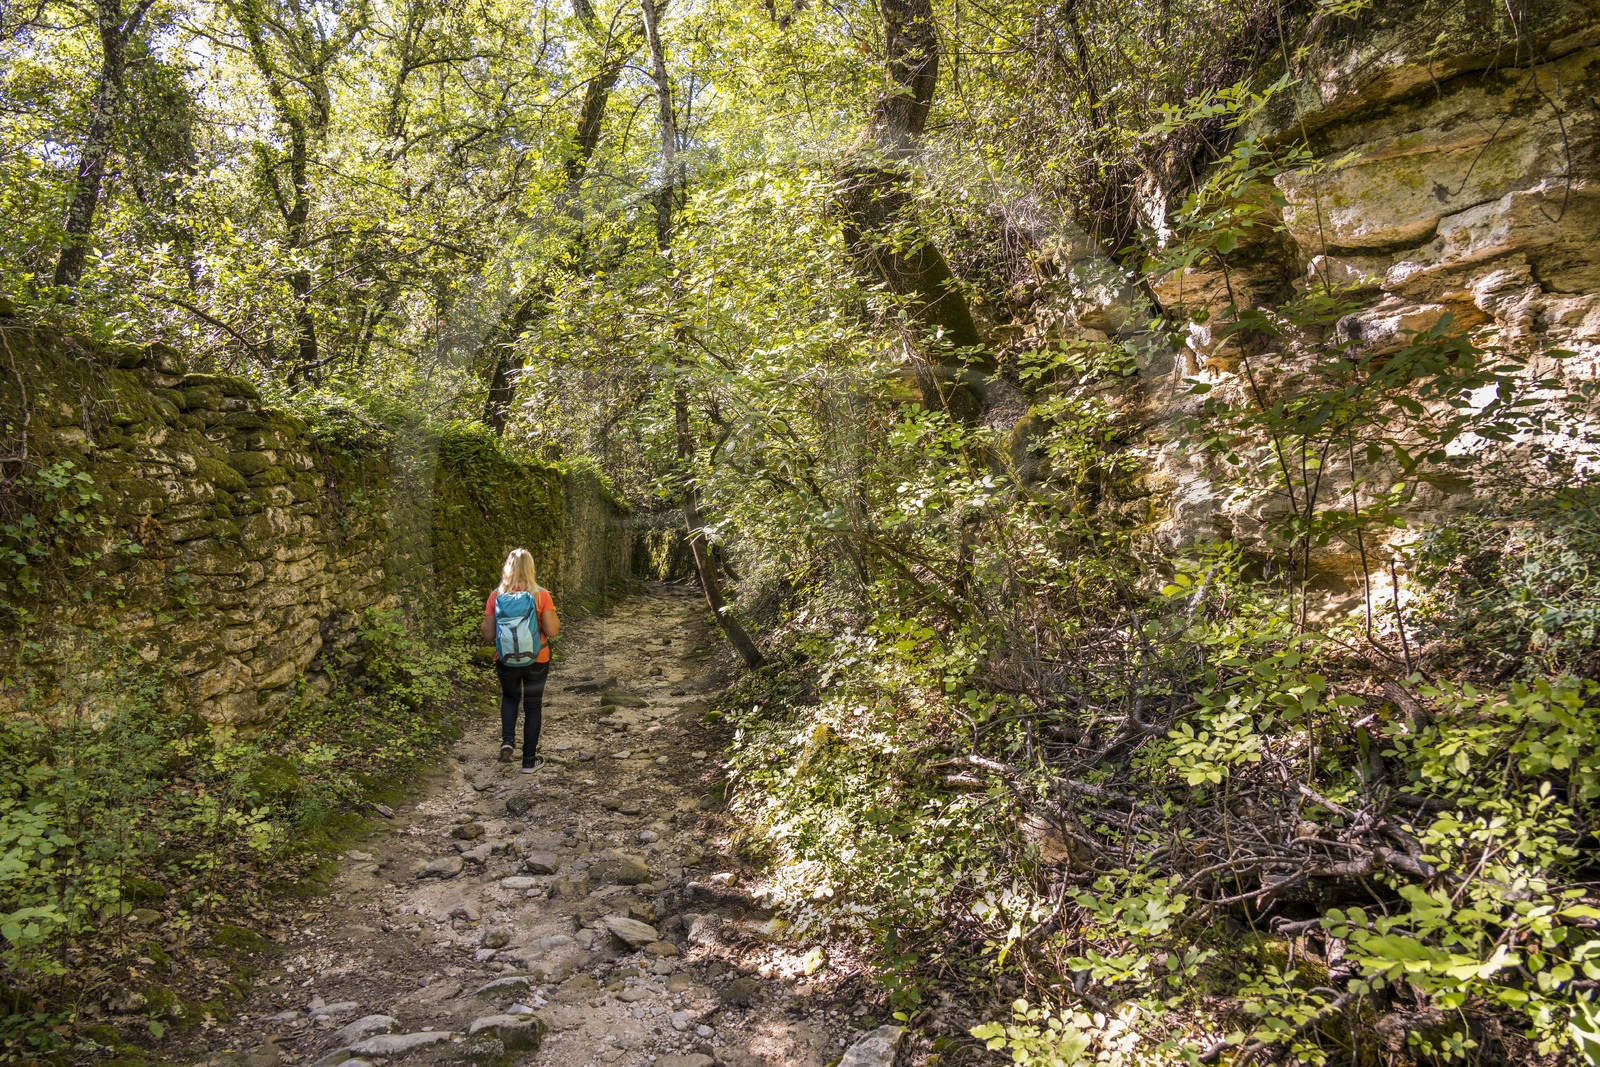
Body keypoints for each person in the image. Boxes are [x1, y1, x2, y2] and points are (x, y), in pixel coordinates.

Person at [481, 548, 560, 772]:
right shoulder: (540, 595)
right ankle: (528, 761)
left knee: (509, 697)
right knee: (533, 706)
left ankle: (507, 741)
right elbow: (552, 631)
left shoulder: (496, 596)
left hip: (506, 660)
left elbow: (487, 635)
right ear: (531, 568)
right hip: (537, 659)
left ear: (508, 567)